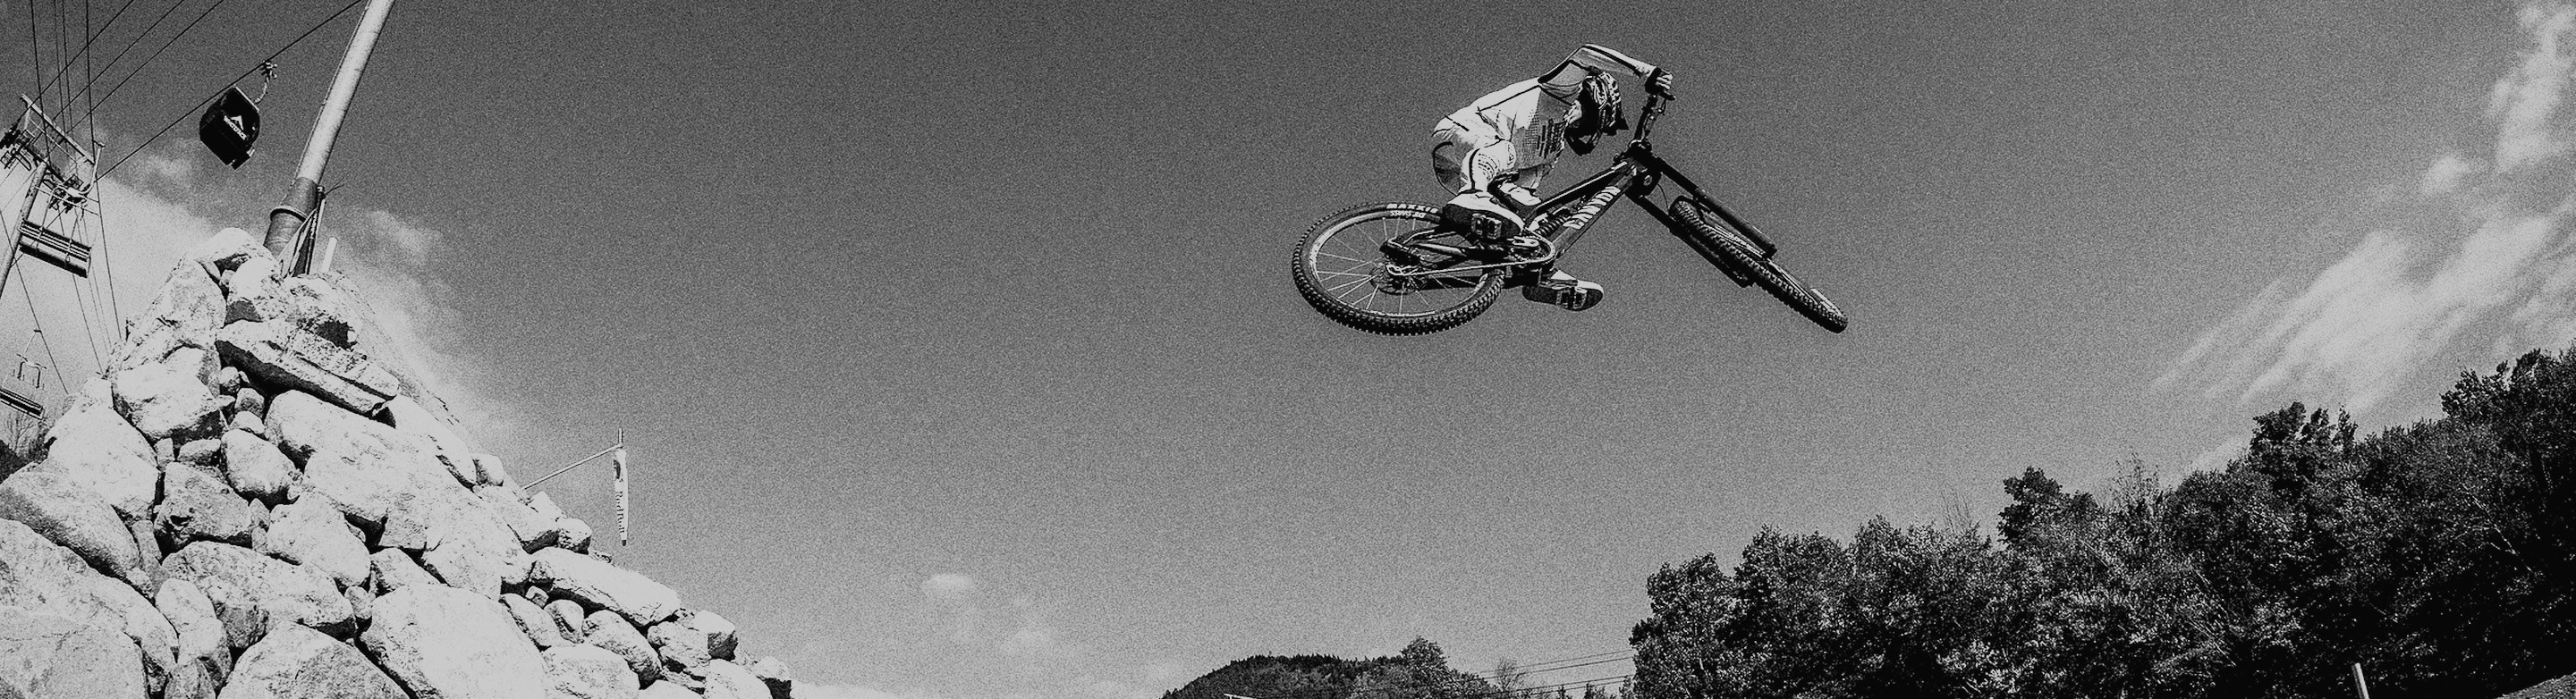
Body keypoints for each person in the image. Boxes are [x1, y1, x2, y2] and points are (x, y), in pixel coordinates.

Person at [1431, 44, 1671, 310]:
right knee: (1506, 152)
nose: (1578, 127)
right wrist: (1644, 71)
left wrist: (1546, 227)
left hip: (1477, 170)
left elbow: (1525, 196)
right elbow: (1585, 53)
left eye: (1584, 127)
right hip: (1461, 134)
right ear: (1593, 97)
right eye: (1588, 119)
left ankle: (1540, 272)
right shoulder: (1561, 90)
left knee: (1531, 213)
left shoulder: (1552, 150)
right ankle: (1473, 196)